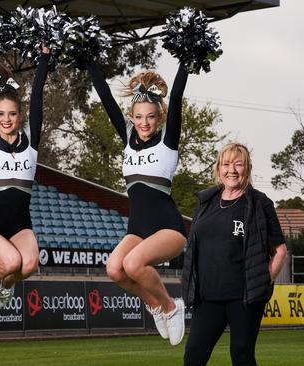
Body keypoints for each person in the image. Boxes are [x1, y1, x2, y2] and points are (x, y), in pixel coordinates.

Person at [86, 59, 189, 345]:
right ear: (132, 117)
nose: (144, 123)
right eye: (139, 117)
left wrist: (186, 59)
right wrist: (89, 61)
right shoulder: (129, 138)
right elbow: (106, 98)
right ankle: (155, 305)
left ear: (160, 118)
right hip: (137, 229)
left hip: (168, 228)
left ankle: (171, 306)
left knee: (132, 265)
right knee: (114, 269)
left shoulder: (168, 141)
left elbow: (178, 96)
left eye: (151, 117)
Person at [182, 142, 288, 366]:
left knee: (241, 355)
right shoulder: (205, 202)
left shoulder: (260, 203)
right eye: (226, 164)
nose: (232, 170)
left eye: (238, 164)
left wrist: (263, 280)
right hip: (207, 297)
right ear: (218, 168)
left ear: (247, 168)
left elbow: (279, 250)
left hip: (244, 297)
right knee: (193, 355)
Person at [0, 46, 50, 307]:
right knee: (12, 262)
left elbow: (37, 96)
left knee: (28, 266)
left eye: (13, 114)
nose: (7, 119)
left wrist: (44, 56)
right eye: (1, 114)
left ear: (20, 116)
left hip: (20, 224)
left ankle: (5, 285)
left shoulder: (31, 142)